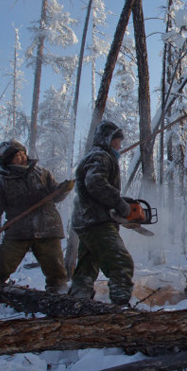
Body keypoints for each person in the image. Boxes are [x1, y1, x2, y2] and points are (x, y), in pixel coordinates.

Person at [0, 140, 69, 302]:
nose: (22, 157)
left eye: (23, 153)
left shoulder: (42, 173)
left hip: (48, 228)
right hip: (19, 231)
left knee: (56, 268)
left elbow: (56, 195)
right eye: (17, 156)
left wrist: (63, 189)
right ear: (8, 160)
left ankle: (59, 296)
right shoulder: (3, 182)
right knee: (2, 264)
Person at [68, 120, 135, 307]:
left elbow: (97, 186)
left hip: (87, 220)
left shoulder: (96, 156)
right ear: (106, 139)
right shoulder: (100, 156)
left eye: (120, 141)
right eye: (116, 140)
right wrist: (118, 202)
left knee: (87, 267)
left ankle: (77, 303)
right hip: (96, 221)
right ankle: (120, 308)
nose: (119, 145)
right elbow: (95, 183)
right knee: (121, 263)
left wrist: (119, 202)